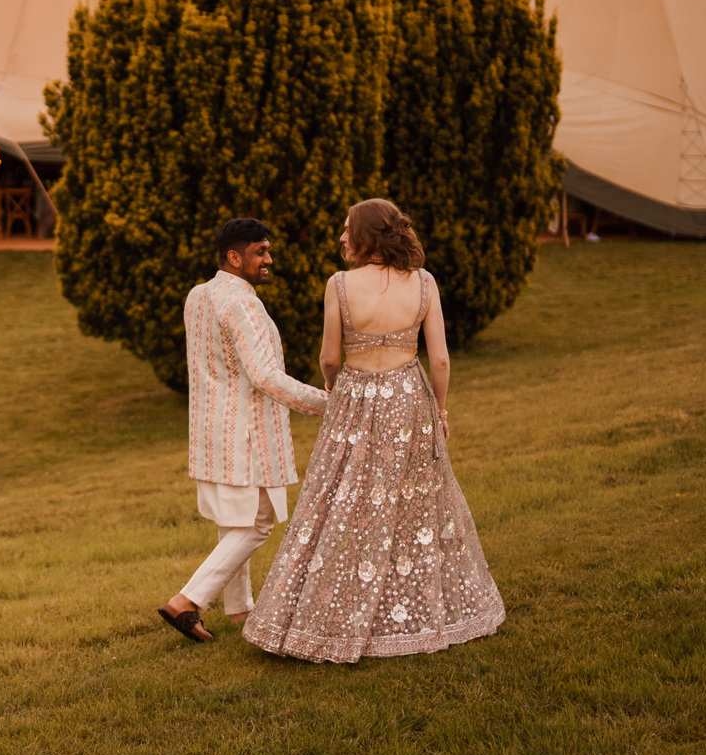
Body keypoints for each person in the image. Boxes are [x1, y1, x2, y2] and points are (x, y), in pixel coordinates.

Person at [244, 199, 505, 663]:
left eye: (348, 229)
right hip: (409, 399)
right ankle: (413, 613)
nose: (342, 237)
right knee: (416, 505)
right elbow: (440, 359)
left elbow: (330, 357)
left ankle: (328, 614)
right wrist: (440, 410)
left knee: (342, 502)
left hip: (357, 398)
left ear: (367, 235)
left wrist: (333, 386)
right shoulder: (424, 282)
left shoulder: (339, 285)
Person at [158, 217, 329, 643]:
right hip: (246, 434)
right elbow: (265, 376)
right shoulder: (242, 304)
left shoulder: (199, 295)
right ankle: (187, 600)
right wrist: (329, 403)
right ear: (234, 257)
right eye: (260, 252)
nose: (269, 259)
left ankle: (239, 610)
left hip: (211, 432)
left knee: (235, 523)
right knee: (258, 523)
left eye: (268, 250)